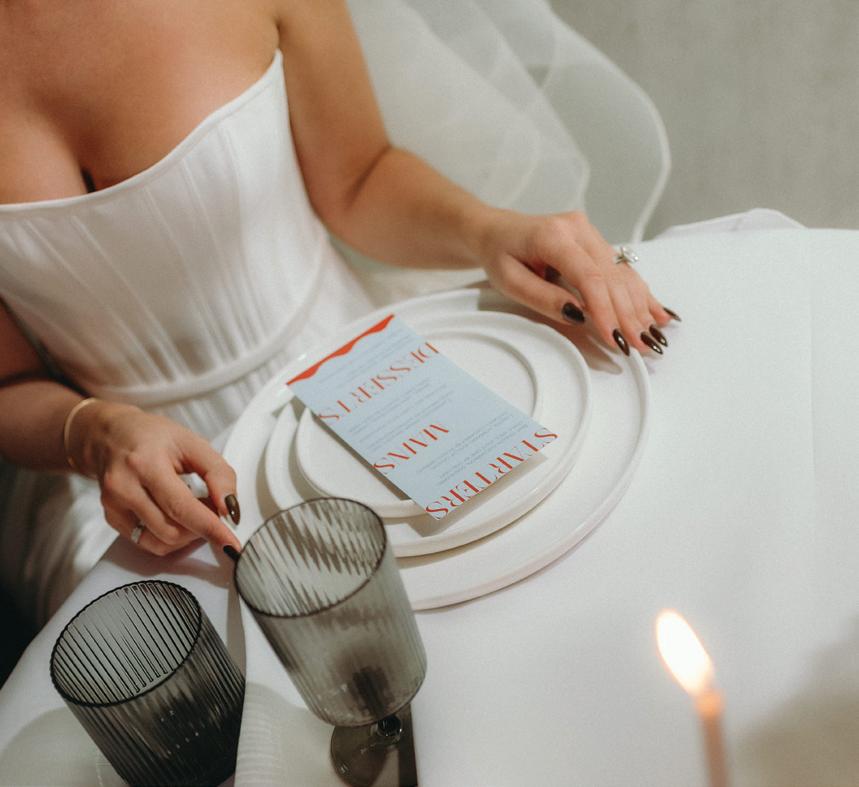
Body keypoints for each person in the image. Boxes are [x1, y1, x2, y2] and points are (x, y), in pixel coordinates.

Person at [0, 0, 676, 625]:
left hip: (360, 370)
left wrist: (487, 231)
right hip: (139, 494)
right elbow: (9, 384)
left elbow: (358, 178)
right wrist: (95, 433)